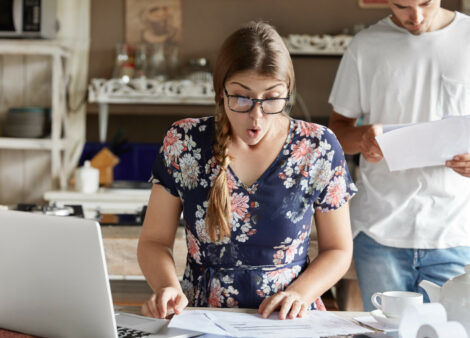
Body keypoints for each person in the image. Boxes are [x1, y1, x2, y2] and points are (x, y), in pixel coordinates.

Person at [137, 21, 357, 320]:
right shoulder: (184, 141)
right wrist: (167, 286)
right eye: (241, 97)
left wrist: (299, 294)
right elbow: (153, 242)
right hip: (202, 317)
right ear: (221, 92)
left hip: (286, 320)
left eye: (271, 98)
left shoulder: (318, 146)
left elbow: (338, 250)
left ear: (288, 92)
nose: (256, 116)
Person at [328, 0, 470, 311]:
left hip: (456, 233)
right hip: (380, 233)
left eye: (424, 3)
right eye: (402, 5)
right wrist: (363, 139)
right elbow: (337, 131)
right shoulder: (365, 46)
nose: (415, 17)